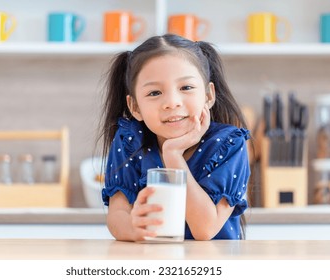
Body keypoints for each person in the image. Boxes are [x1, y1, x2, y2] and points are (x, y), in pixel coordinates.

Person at [97, 34, 250, 241]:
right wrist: (132, 228)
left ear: (208, 95)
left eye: (186, 88)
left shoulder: (229, 144)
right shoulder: (130, 141)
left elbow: (204, 229)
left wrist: (173, 154)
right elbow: (117, 215)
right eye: (154, 93)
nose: (172, 102)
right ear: (135, 107)